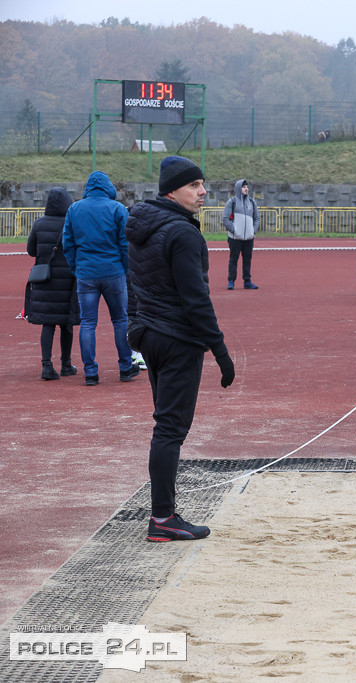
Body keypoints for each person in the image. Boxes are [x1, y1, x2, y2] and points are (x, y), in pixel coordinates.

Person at [125, 155, 235, 542]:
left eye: (203, 184)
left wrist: (136, 331)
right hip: (176, 339)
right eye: (194, 185)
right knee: (170, 429)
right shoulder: (183, 233)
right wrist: (220, 350)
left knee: (165, 426)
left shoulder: (142, 225)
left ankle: (164, 514)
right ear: (172, 190)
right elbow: (196, 299)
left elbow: (134, 284)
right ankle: (162, 519)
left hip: (151, 337)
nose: (203, 192)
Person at [62, 170, 138, 386]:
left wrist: (77, 268)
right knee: (120, 320)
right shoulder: (117, 209)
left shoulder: (74, 209)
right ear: (108, 187)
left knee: (87, 323)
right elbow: (125, 244)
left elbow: (68, 244)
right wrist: (124, 268)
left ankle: (90, 372)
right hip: (113, 271)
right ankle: (125, 367)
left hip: (86, 273)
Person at [25, 188, 79, 380]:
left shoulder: (38, 224)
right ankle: (66, 364)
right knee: (67, 324)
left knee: (47, 324)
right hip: (67, 281)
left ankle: (46, 365)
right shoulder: (72, 223)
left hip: (45, 280)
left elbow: (31, 251)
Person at [221, 179, 259, 290]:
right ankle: (231, 281)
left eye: (247, 187)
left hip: (249, 238)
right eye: (243, 187)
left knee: (247, 260)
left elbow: (256, 218)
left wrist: (253, 231)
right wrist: (234, 230)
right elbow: (225, 218)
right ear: (238, 188)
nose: (246, 189)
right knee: (233, 259)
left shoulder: (252, 202)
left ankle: (247, 281)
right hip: (235, 238)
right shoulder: (232, 202)